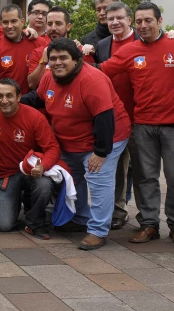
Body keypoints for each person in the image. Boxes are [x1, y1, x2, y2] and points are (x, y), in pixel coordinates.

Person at [22, 38, 131, 250]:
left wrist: (100, 153)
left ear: (77, 59)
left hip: (105, 138)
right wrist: (14, 100)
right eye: (52, 58)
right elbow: (38, 98)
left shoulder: (92, 79)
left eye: (63, 58)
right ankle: (81, 218)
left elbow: (105, 119)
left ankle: (98, 230)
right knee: (74, 178)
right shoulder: (49, 77)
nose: (57, 62)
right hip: (70, 140)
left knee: (98, 179)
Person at [100, 2, 174, 245]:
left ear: (160, 21)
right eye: (139, 21)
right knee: (145, 178)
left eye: (148, 20)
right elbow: (101, 71)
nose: (143, 25)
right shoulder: (129, 50)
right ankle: (149, 224)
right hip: (142, 126)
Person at [0, 79, 63, 239]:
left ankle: (35, 222)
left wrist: (43, 166)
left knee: (44, 185)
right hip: (5, 175)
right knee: (4, 225)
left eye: (9, 96)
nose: (4, 101)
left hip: (32, 172)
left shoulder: (35, 117)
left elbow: (53, 147)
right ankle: (17, 202)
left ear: (19, 97)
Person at [92, 2, 139, 230]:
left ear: (129, 19)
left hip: (140, 114)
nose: (115, 22)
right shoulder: (102, 44)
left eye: (119, 17)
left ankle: (148, 217)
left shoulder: (142, 41)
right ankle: (118, 211)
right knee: (118, 167)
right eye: (110, 19)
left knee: (143, 170)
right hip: (114, 117)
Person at [26, 7, 92, 90]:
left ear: (68, 27)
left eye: (58, 23)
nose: (53, 28)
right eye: (50, 24)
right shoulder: (38, 52)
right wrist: (43, 62)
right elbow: (32, 84)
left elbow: (90, 81)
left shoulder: (82, 51)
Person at [0, 4, 45, 97]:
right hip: (6, 103)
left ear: (22, 22)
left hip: (34, 101)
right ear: (1, 23)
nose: (10, 26)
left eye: (14, 21)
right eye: (5, 22)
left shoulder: (39, 43)